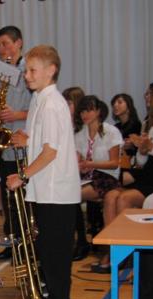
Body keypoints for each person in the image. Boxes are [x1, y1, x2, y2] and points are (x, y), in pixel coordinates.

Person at [7, 45, 81, 299]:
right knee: (48, 252)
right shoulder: (40, 100)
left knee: (56, 256)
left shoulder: (52, 104)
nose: (26, 75)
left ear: (51, 70)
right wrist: (26, 141)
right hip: (46, 190)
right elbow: (45, 142)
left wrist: (22, 176)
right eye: (26, 70)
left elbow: (50, 152)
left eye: (32, 70)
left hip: (57, 191)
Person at [101, 82, 153, 271]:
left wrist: (152, 148)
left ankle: (128, 255)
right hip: (147, 175)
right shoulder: (149, 124)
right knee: (111, 196)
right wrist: (142, 149)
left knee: (124, 198)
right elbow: (140, 162)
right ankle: (112, 250)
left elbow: (152, 152)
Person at [0, 26, 32, 260]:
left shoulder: (29, 70)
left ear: (19, 43)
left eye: (5, 43)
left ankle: (26, 248)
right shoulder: (4, 71)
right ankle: (11, 244)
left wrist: (17, 115)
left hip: (22, 143)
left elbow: (38, 110)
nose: (2, 49)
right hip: (5, 144)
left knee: (21, 199)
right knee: (7, 198)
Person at [73, 95, 123, 269]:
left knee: (72, 195)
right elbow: (77, 162)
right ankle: (89, 244)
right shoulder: (80, 135)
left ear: (99, 111)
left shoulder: (110, 131)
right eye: (82, 111)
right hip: (88, 177)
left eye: (89, 110)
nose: (85, 114)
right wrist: (81, 167)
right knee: (68, 193)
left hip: (107, 177)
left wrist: (90, 164)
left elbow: (114, 163)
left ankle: (85, 243)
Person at [62, 87, 90, 261]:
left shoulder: (84, 127)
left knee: (70, 196)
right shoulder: (64, 124)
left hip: (86, 171)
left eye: (70, 103)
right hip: (70, 170)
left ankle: (81, 241)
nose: (66, 106)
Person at [111, 93, 142, 185]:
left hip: (131, 166)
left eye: (119, 102)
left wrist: (132, 145)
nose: (115, 105)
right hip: (118, 163)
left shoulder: (137, 125)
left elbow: (139, 148)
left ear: (128, 106)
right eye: (114, 104)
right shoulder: (115, 127)